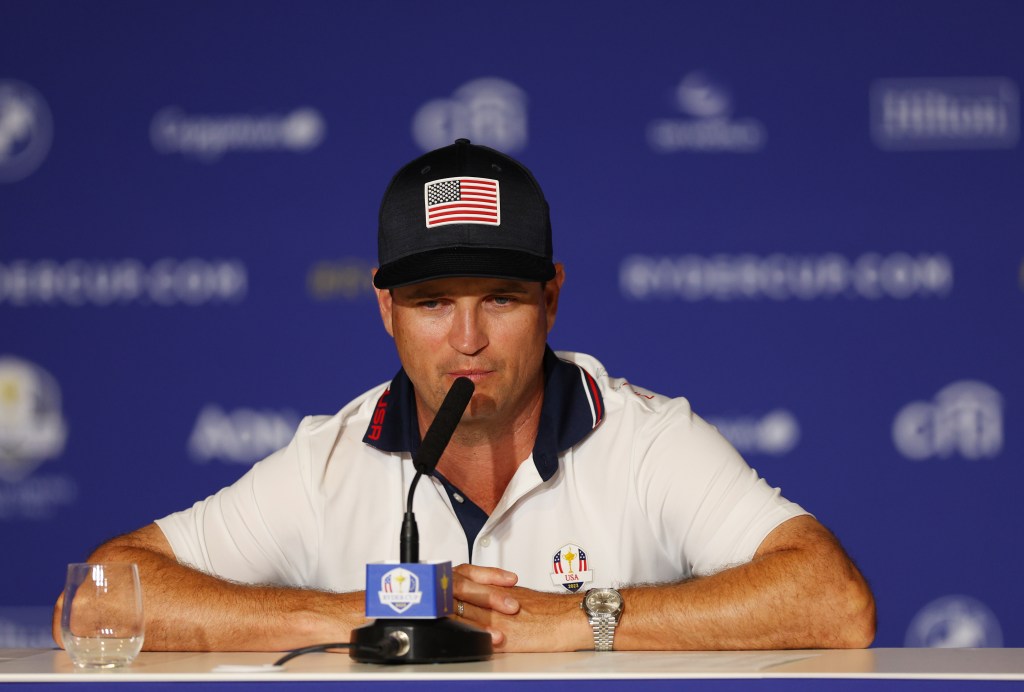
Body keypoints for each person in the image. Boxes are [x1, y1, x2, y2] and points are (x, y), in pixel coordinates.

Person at [54, 139, 875, 653]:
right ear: (385, 309)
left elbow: (834, 602)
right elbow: (98, 602)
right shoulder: (332, 459)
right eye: (433, 302)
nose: (469, 339)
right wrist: (354, 615)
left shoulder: (644, 440)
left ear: (552, 298)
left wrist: (577, 620)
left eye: (502, 300)